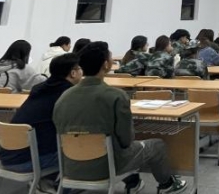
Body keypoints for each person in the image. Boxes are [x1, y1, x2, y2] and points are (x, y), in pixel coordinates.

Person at [53, 41, 187, 193]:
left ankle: (134, 182)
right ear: (106, 64)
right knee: (156, 145)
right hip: (106, 166)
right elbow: (126, 140)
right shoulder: (116, 96)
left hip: (71, 167)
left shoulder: (64, 97)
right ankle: (167, 185)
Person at [0, 53, 82, 186]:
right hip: (29, 161)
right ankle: (54, 186)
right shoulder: (67, 95)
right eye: (80, 69)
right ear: (73, 73)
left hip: (6, 157)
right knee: (81, 151)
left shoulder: (39, 89)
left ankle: (46, 181)